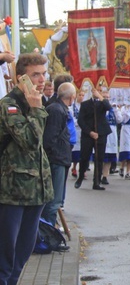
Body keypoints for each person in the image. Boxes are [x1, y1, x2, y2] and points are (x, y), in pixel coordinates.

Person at [0, 53, 53, 285]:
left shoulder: (34, 104)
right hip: (11, 194)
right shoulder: (9, 106)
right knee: (5, 255)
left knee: (22, 254)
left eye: (43, 74)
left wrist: (36, 108)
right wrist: (35, 109)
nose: (42, 80)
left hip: (35, 192)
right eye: (35, 75)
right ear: (20, 77)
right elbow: (31, 142)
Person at [41, 82, 76, 228]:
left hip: (59, 158)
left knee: (55, 200)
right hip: (56, 159)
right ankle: (49, 233)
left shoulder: (59, 108)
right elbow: (50, 138)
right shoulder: (56, 110)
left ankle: (50, 228)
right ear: (71, 97)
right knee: (53, 201)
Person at [76, 86, 112, 190]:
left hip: (101, 133)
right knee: (84, 157)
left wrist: (100, 97)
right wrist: (90, 132)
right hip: (88, 134)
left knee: (99, 158)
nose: (98, 92)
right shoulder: (85, 104)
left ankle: (96, 182)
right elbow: (80, 121)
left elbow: (109, 107)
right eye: (97, 90)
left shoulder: (103, 103)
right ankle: (81, 177)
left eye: (100, 91)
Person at [115, 104, 130, 180]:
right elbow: (122, 120)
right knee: (126, 150)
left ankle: (128, 172)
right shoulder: (124, 108)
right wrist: (126, 109)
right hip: (126, 130)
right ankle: (122, 167)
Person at [70, 90, 85, 179]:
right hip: (75, 128)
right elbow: (71, 116)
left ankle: (81, 168)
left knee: (82, 149)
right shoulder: (72, 105)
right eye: (80, 95)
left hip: (82, 130)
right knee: (75, 149)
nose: (81, 97)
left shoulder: (83, 106)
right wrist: (78, 122)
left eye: (83, 95)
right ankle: (74, 167)